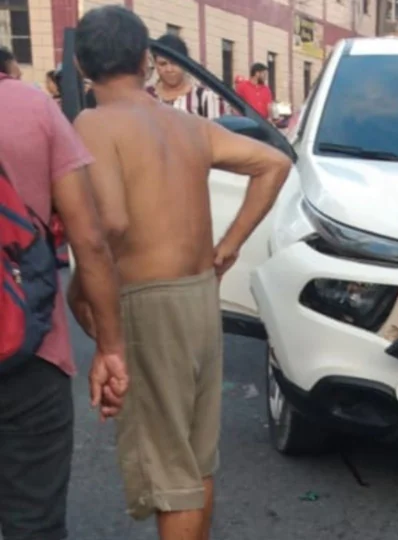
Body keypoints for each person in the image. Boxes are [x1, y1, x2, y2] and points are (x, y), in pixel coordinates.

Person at [71, 6, 291, 539]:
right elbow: (274, 163)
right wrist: (228, 246)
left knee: (171, 470)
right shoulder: (188, 124)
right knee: (194, 458)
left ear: (80, 66)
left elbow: (113, 225)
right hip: (197, 295)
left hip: (149, 300)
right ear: (147, 60)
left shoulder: (94, 123)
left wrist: (81, 289)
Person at [0, 57, 127, 540]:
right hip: (27, 348)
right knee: (33, 522)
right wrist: (110, 347)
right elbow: (90, 239)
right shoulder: (30, 106)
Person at [146, 33, 223, 119]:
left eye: (174, 63)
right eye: (162, 64)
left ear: (185, 64)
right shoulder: (145, 96)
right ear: (155, 64)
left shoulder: (205, 98)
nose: (169, 69)